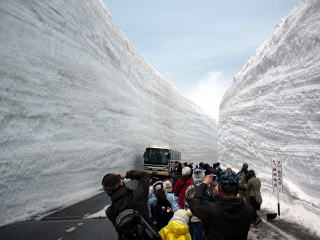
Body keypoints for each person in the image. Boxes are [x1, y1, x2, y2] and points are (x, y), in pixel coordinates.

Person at [189, 170, 255, 240]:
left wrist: (204, 184)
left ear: (219, 188)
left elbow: (194, 205)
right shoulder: (248, 210)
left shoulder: (211, 209)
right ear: (238, 188)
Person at [102, 170, 152, 239]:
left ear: (108, 192)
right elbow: (145, 175)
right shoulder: (138, 195)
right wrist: (126, 174)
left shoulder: (110, 212)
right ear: (121, 183)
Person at [184, 168, 205, 240]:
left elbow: (186, 204)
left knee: (191, 234)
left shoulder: (189, 188)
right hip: (204, 216)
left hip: (191, 215)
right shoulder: (207, 188)